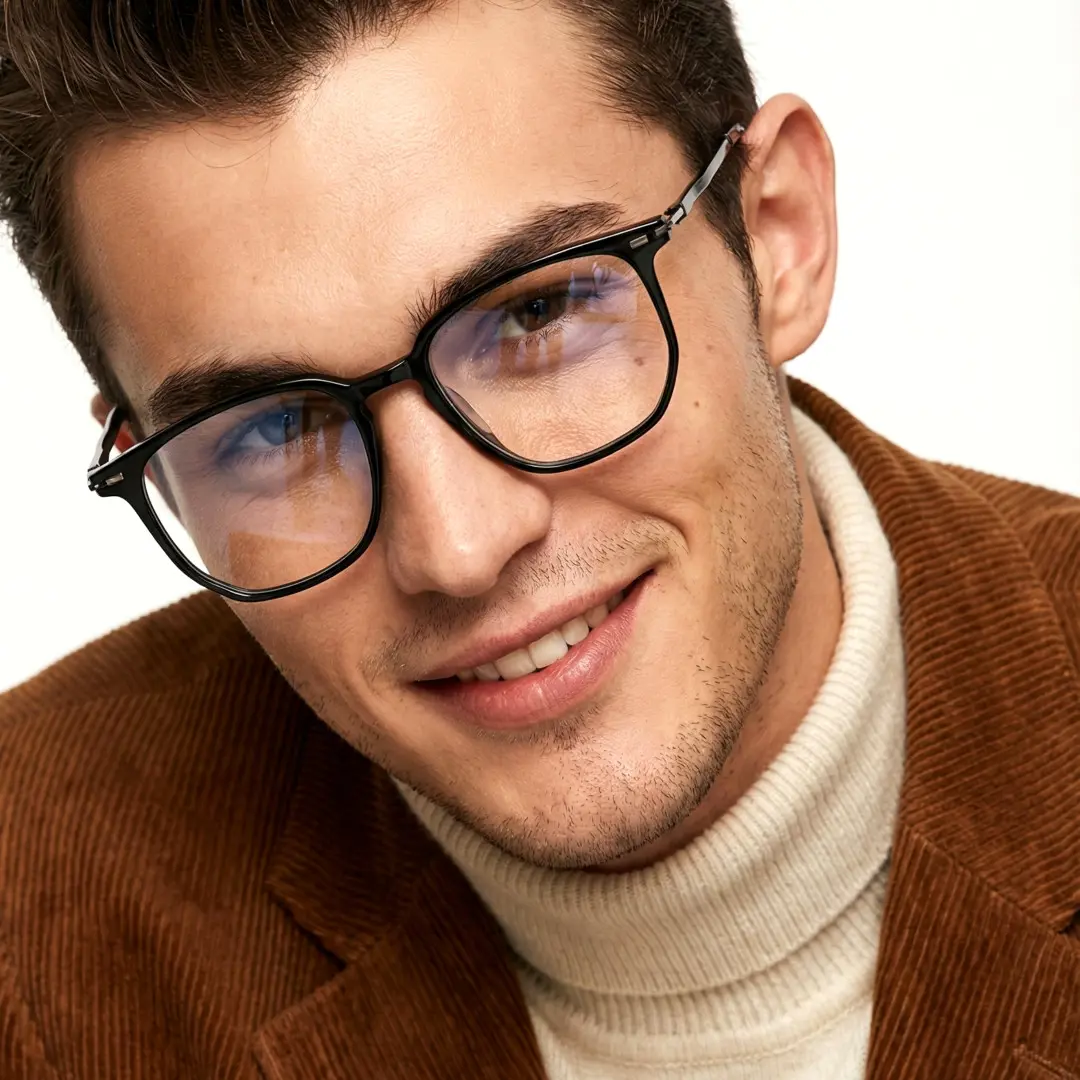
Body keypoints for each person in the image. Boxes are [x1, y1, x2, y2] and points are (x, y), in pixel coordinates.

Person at [0, 1, 1077, 1077]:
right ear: (167, 476)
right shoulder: (32, 911)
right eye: (277, 427)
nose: (458, 548)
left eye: (535, 317)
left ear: (778, 231)